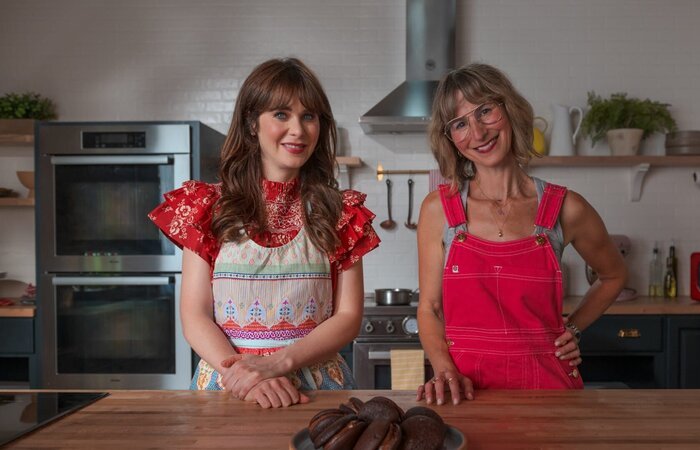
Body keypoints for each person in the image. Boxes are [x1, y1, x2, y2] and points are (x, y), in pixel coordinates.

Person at [149, 58, 380, 408]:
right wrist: (246, 378)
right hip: (230, 388)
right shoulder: (207, 206)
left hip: (316, 392)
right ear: (251, 124)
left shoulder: (341, 212)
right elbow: (194, 314)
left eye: (309, 116)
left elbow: (348, 318)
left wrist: (277, 364)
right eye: (281, 114)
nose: (298, 130)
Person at [415, 63, 627, 406]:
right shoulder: (439, 210)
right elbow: (428, 307)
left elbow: (614, 275)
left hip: (549, 393)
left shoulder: (566, 208)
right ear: (450, 139)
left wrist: (572, 328)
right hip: (464, 394)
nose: (478, 132)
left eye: (485, 111)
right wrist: (443, 368)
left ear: (509, 108)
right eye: (460, 123)